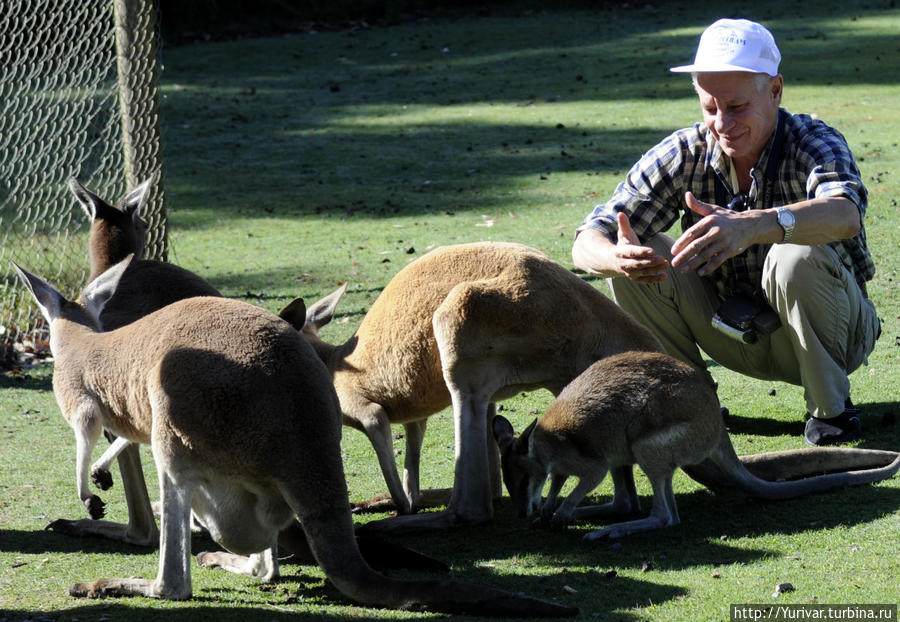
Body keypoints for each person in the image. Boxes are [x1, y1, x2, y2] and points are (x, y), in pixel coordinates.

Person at [571, 18, 881, 446]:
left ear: (775, 91)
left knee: (794, 254)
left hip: (836, 335)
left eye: (736, 108)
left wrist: (755, 225)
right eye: (709, 108)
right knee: (642, 254)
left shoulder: (813, 140)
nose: (721, 123)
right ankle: (690, 406)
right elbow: (590, 235)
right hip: (734, 333)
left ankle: (831, 413)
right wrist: (615, 258)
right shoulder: (685, 152)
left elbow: (845, 213)